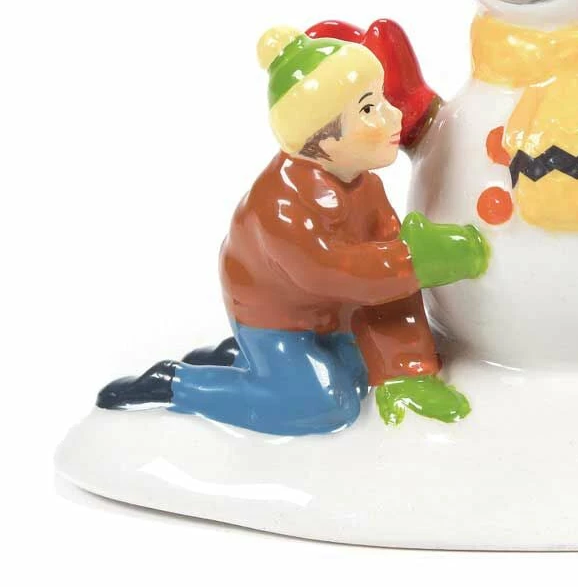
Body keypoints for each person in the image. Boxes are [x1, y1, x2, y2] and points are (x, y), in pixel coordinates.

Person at [97, 26, 489, 433]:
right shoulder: (282, 206)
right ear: (322, 141)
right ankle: (177, 384)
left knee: (358, 369)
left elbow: (389, 291)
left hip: (331, 315)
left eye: (382, 99)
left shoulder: (365, 186)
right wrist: (415, 260)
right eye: (368, 109)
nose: (393, 116)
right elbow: (333, 272)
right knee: (326, 403)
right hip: (276, 319)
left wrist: (406, 369)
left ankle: (244, 360)